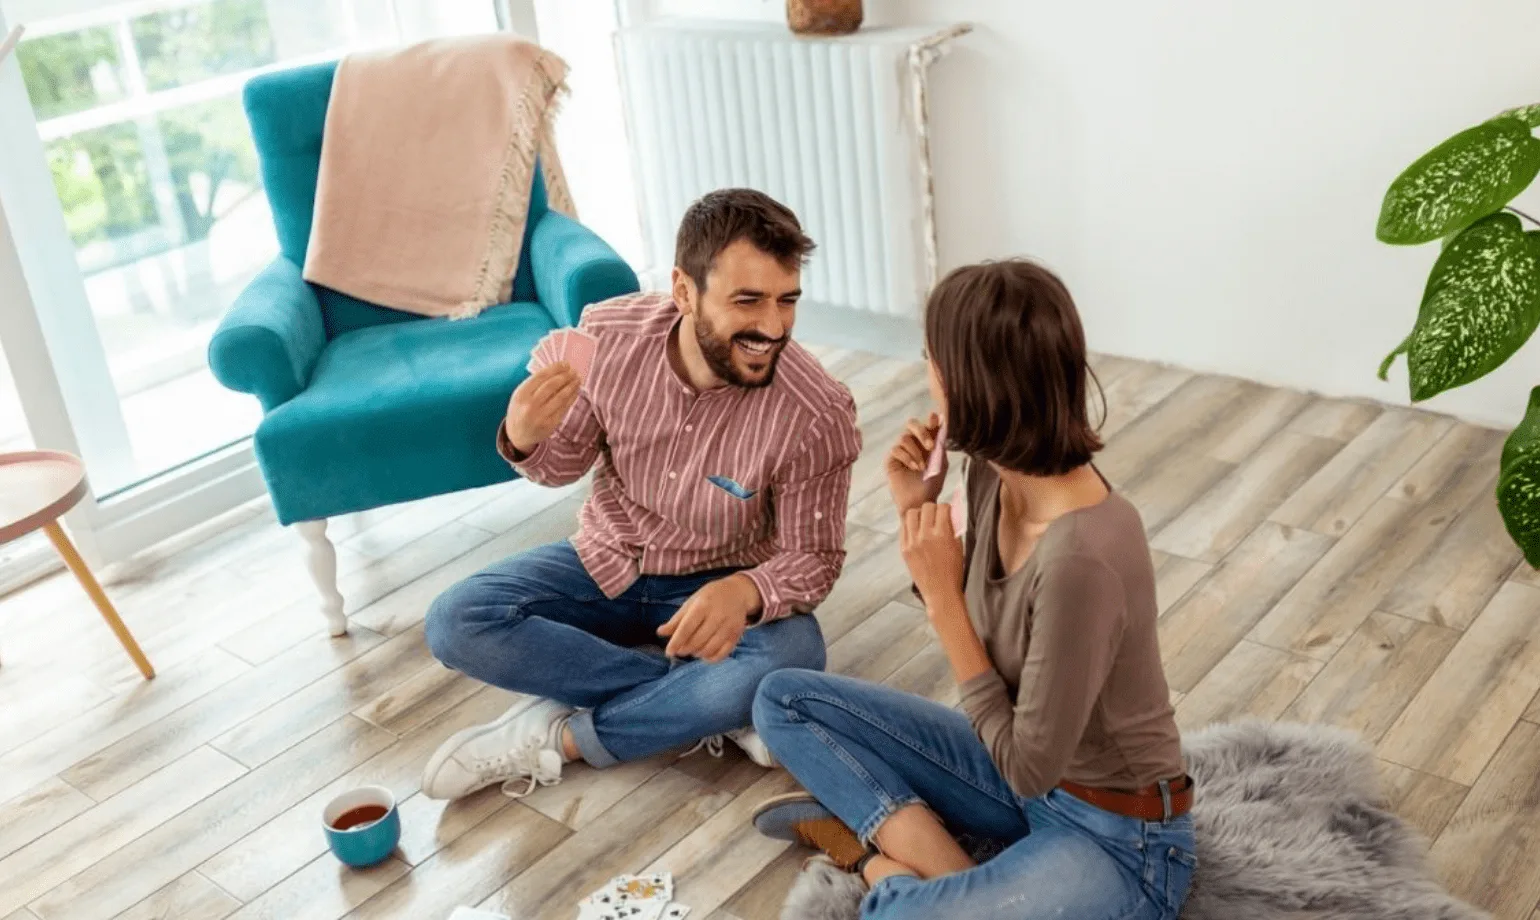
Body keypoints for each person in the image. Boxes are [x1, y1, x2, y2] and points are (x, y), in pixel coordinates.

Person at [748, 260, 1196, 919]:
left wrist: (942, 602)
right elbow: (1002, 661)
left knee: (903, 915)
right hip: (1018, 773)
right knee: (781, 700)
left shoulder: (1083, 557)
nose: (926, 375)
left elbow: (1027, 768)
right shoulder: (991, 475)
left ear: (969, 383)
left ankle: (882, 864)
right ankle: (950, 867)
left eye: (932, 358)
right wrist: (915, 508)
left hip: (1121, 839)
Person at [421, 189, 861, 800]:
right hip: (610, 560)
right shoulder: (608, 338)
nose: (773, 326)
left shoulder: (817, 411)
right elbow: (564, 463)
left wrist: (743, 590)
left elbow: (814, 557)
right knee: (456, 621)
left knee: (792, 656)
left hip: (720, 584)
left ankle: (563, 737)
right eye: (747, 301)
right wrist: (524, 438)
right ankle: (706, 703)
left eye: (787, 301)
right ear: (684, 292)